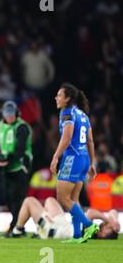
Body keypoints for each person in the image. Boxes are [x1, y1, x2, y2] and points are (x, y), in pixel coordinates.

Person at [50, 83, 99, 243]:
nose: (56, 98)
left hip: (73, 158)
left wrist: (56, 156)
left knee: (62, 197)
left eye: (59, 95)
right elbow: (90, 141)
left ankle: (89, 225)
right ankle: (77, 235)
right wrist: (92, 162)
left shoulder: (67, 113)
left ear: (67, 98)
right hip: (84, 158)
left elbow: (67, 137)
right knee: (74, 198)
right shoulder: (83, 115)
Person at [0, 101, 33, 237]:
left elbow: (21, 150)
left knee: (18, 198)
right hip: (7, 168)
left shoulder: (22, 127)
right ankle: (16, 225)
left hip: (20, 167)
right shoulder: (0, 125)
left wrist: (7, 159)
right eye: (6, 114)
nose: (9, 117)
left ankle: (16, 226)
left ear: (16, 114)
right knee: (8, 198)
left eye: (11, 114)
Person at [11, 197, 120, 240]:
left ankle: (18, 230)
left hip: (53, 230)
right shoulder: (95, 231)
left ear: (104, 234)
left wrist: (109, 220)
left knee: (29, 201)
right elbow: (113, 212)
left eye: (108, 226)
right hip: (63, 225)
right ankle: (40, 227)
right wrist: (114, 221)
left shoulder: (92, 233)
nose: (106, 224)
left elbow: (91, 213)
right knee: (50, 201)